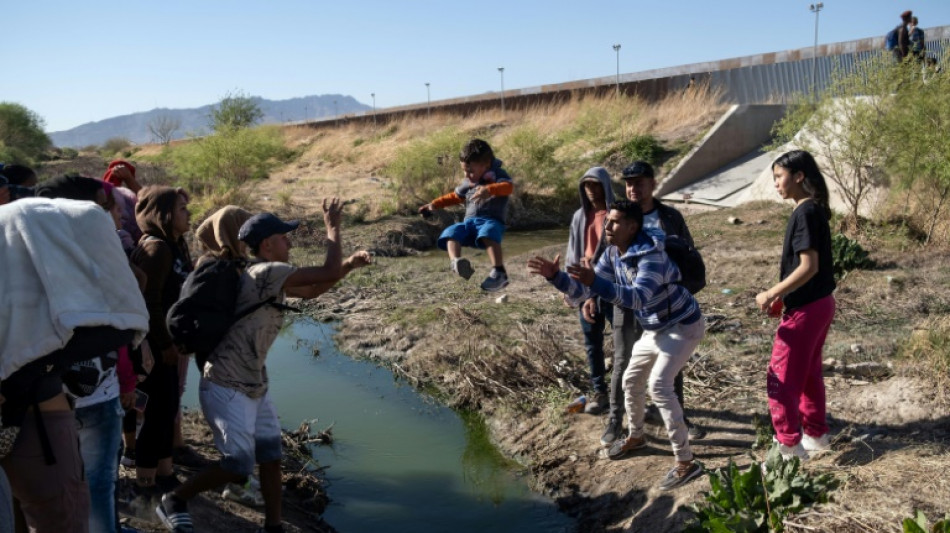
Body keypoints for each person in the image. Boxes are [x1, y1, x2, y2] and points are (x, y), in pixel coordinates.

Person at [156, 200, 371, 533]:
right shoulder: (266, 272)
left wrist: (348, 266)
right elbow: (324, 274)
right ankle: (174, 499)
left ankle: (273, 526)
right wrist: (332, 227)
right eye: (284, 237)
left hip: (254, 384)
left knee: (271, 456)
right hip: (227, 386)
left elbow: (313, 291)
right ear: (267, 244)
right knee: (238, 465)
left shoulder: (264, 275)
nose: (290, 242)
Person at [528, 199, 705, 491]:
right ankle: (636, 437)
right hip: (655, 327)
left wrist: (595, 283)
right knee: (631, 379)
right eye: (607, 221)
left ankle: (687, 462)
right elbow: (584, 290)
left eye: (614, 222)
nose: (607, 226)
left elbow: (637, 298)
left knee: (659, 386)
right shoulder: (612, 254)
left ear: (632, 226)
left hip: (683, 326)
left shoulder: (652, 256)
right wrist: (555, 277)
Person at [34, 176, 139, 533]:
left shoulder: (28, 252)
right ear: (92, 208)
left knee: (57, 487)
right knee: (96, 481)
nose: (119, 216)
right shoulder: (100, 257)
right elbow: (120, 323)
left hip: (43, 395)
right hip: (93, 394)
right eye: (110, 207)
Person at [596, 161, 705, 446]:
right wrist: (592, 295)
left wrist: (681, 289)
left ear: (652, 184)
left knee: (670, 366)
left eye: (639, 182)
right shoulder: (616, 217)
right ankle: (615, 421)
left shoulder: (669, 216)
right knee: (623, 362)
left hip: (665, 306)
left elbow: (687, 253)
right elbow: (604, 258)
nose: (633, 188)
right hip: (625, 302)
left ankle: (678, 418)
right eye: (629, 183)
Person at [755, 150, 836, 462]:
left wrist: (771, 293)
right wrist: (783, 297)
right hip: (820, 304)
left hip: (807, 309)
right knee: (808, 374)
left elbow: (809, 266)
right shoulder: (813, 209)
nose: (776, 183)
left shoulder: (804, 213)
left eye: (779, 176)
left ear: (799, 176)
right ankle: (816, 435)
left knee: (780, 378)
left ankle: (789, 448)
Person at [130, 186, 193, 499]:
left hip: (167, 342)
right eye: (182, 209)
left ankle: (166, 471)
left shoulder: (173, 244)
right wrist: (165, 343)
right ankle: (145, 481)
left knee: (167, 407)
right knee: (156, 411)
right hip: (155, 346)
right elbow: (149, 302)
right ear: (165, 215)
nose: (188, 214)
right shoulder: (158, 249)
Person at [418, 138, 514, 292]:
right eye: (464, 170)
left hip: (491, 221)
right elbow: (454, 197)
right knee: (451, 232)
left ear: (487, 164)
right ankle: (456, 262)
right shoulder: (468, 183)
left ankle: (499, 273)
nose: (467, 175)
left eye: (471, 171)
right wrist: (433, 205)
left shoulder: (497, 175)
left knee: (487, 232)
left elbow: (508, 187)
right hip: (469, 224)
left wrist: (489, 190)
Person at [564, 167, 615, 414]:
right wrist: (572, 288)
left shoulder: (617, 214)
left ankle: (624, 392)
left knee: (625, 340)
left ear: (605, 185)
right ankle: (599, 391)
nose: (592, 191)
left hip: (614, 285)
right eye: (587, 186)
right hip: (585, 282)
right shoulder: (579, 216)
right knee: (592, 342)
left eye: (596, 185)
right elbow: (573, 251)